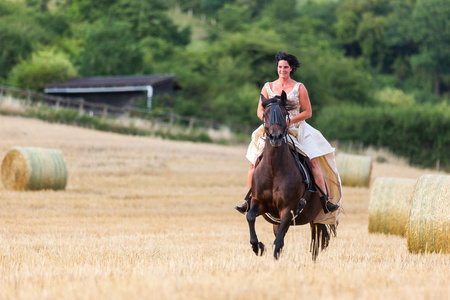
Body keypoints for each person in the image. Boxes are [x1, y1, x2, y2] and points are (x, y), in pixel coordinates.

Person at [235, 51, 341, 221]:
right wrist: (268, 124)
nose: (282, 70)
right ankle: (249, 200)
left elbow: (308, 112)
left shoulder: (299, 87)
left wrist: (291, 120)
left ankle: (324, 200)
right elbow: (260, 110)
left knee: (312, 161)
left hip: (296, 128)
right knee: (253, 162)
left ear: (291, 69)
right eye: (279, 67)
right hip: (272, 128)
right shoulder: (268, 86)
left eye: (285, 67)